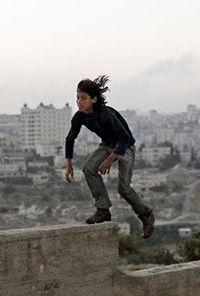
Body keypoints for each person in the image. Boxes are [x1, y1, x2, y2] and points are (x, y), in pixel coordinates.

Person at [64, 76, 155, 238]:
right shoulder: (80, 116)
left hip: (125, 148)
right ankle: (103, 210)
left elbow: (125, 138)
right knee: (89, 169)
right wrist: (69, 164)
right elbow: (70, 138)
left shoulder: (106, 114)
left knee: (124, 188)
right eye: (77, 98)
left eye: (83, 98)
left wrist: (110, 159)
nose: (79, 101)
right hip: (107, 145)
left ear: (94, 99)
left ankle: (146, 215)